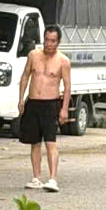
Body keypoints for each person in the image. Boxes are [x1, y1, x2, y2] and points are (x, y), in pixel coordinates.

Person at [17, 24, 71, 193]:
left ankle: (53, 178)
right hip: (33, 102)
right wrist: (21, 99)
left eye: (53, 41)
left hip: (51, 103)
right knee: (34, 142)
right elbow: (26, 75)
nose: (49, 44)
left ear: (58, 42)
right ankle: (36, 177)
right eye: (47, 40)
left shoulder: (63, 61)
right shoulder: (33, 55)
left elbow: (67, 87)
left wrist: (64, 109)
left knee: (50, 142)